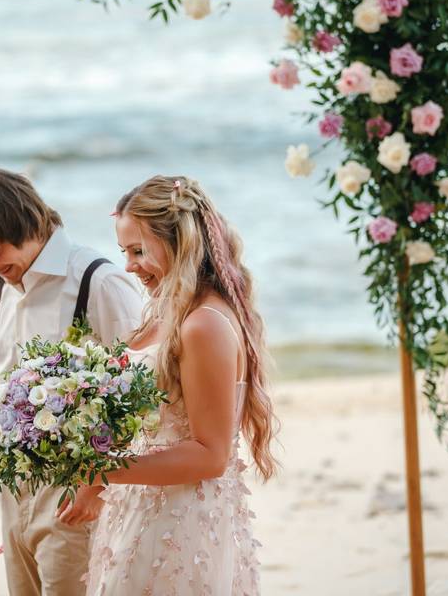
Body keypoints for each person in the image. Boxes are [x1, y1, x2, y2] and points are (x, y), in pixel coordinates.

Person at [0, 167, 143, 596]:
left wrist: (97, 487)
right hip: (14, 492)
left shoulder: (99, 282)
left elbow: (141, 400)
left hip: (77, 494)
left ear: (27, 224)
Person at [84, 175, 278, 595]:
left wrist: (102, 472)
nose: (129, 266)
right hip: (140, 507)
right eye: (124, 252)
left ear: (180, 242)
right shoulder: (166, 310)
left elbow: (210, 454)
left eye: (138, 251)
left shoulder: (204, 323)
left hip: (179, 519)